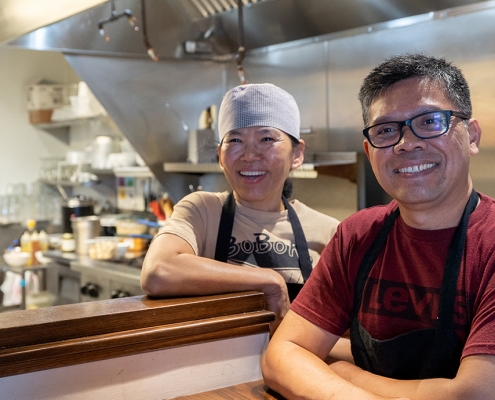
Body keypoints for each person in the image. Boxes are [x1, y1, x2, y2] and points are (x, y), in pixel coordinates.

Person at [262, 53, 495, 399]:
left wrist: (346, 374)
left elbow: (474, 393)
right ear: (370, 152)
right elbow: (282, 355)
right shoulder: (357, 235)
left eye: (430, 121)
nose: (407, 143)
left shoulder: (489, 243)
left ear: (472, 135)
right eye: (386, 130)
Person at [141, 83, 340, 333]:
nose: (249, 155)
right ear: (221, 156)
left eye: (266, 139)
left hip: (297, 366)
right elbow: (158, 272)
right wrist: (269, 281)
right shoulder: (202, 211)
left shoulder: (329, 231)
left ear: (297, 154)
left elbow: (343, 331)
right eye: (235, 140)